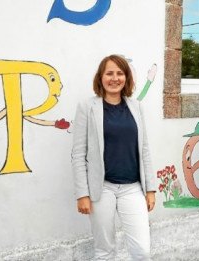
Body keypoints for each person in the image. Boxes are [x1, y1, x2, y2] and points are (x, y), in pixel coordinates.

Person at [71, 54, 156, 260]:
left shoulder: (136, 107)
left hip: (132, 187)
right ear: (101, 77)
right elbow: (78, 154)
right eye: (109, 73)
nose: (114, 78)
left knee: (142, 250)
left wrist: (151, 189)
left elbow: (144, 148)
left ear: (126, 77)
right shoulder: (87, 107)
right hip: (102, 189)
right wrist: (82, 194)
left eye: (119, 73)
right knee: (104, 251)